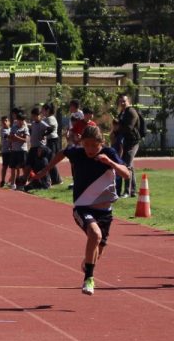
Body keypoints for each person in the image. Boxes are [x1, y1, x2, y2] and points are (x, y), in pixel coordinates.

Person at [30, 125, 130, 296]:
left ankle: (87, 263)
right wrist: (46, 171)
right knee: (95, 234)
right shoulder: (77, 152)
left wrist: (110, 163)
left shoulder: (109, 153)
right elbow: (63, 152)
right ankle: (88, 279)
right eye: (86, 145)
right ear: (82, 142)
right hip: (83, 207)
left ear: (101, 143)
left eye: (94, 145)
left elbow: (127, 174)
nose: (90, 149)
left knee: (99, 247)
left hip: (105, 210)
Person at [115, 93, 143, 197]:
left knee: (127, 165)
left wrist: (118, 126)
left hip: (133, 142)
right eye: (120, 101)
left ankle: (127, 191)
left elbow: (129, 127)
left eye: (124, 101)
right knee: (129, 165)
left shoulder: (131, 112)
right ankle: (133, 191)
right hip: (126, 142)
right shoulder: (122, 112)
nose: (122, 103)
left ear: (129, 102)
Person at [42, 103, 63, 186]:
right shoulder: (48, 118)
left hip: (53, 141)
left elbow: (43, 125)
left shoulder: (49, 119)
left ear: (47, 110)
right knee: (49, 160)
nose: (41, 111)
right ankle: (54, 179)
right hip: (51, 141)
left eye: (43, 110)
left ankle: (57, 180)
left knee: (51, 161)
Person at [7, 112, 29, 188]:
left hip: (22, 150)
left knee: (23, 167)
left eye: (22, 120)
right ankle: (13, 183)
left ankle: (25, 182)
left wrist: (16, 137)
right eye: (19, 120)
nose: (20, 122)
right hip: (14, 150)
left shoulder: (25, 128)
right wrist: (12, 140)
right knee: (13, 167)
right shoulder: (14, 128)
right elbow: (10, 137)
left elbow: (25, 140)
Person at [0, 115, 13, 188]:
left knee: (14, 167)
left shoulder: (12, 129)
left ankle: (13, 181)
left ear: (9, 122)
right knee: (5, 166)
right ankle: (3, 181)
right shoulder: (3, 130)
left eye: (6, 120)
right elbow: (8, 137)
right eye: (3, 121)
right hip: (6, 151)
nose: (4, 122)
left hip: (12, 151)